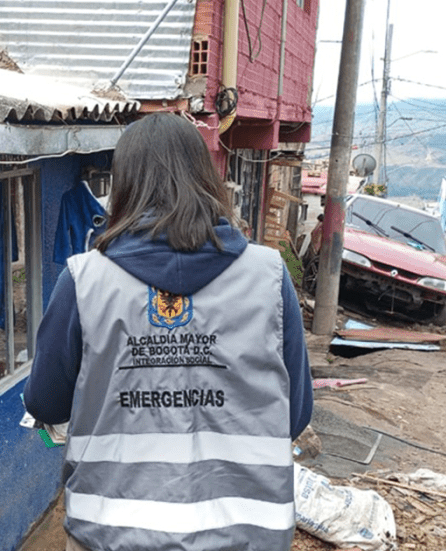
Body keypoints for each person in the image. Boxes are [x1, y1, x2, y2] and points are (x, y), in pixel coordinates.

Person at [24, 113, 314, 551]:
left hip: (112, 533)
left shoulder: (85, 281)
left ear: (123, 186)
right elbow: (294, 416)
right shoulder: (268, 277)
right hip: (243, 533)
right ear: (206, 177)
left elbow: (45, 400)